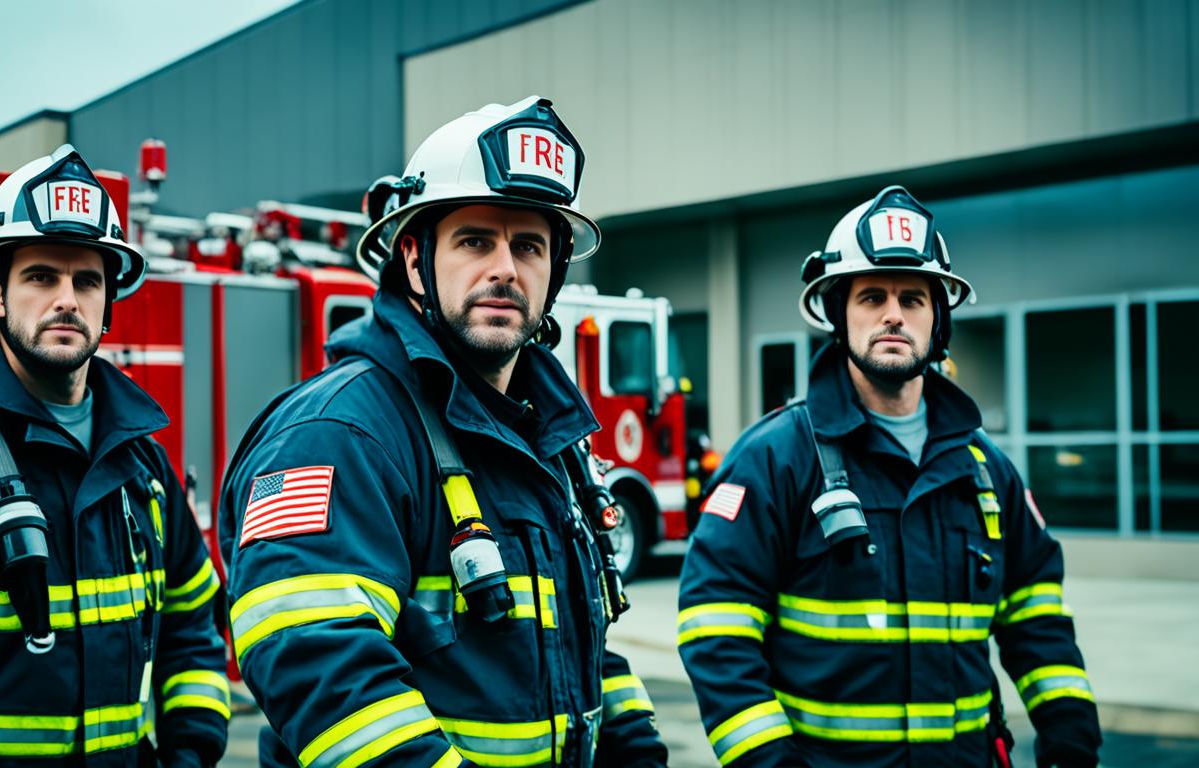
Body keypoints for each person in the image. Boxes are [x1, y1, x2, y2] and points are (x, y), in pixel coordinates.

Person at [218, 96, 668, 767]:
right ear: (412, 256)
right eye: (475, 240)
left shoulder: (551, 440)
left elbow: (580, 647)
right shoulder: (339, 432)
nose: (505, 269)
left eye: (529, 246)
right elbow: (318, 662)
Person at [677, 186, 1102, 767]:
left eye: (913, 299)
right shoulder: (774, 460)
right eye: (871, 296)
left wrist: (1071, 743)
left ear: (938, 320)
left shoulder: (986, 470)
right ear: (837, 315)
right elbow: (716, 631)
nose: (893, 314)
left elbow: (1038, 618)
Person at [0, 146, 229, 767]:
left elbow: (193, 625)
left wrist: (190, 753)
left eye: (87, 281)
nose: (67, 299)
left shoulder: (144, 466)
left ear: (108, 303)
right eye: (41, 277)